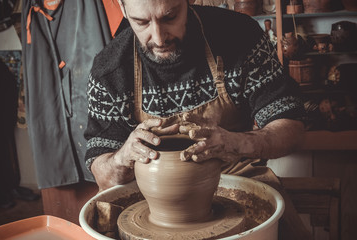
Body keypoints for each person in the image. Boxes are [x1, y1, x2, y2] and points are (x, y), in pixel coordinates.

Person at [84, 0, 311, 239]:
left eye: (169, 17)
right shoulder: (110, 69)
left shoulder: (240, 36)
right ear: (123, 8)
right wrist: (122, 158)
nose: (159, 38)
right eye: (141, 22)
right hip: (149, 197)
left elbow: (292, 127)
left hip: (238, 177)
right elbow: (102, 172)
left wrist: (235, 142)